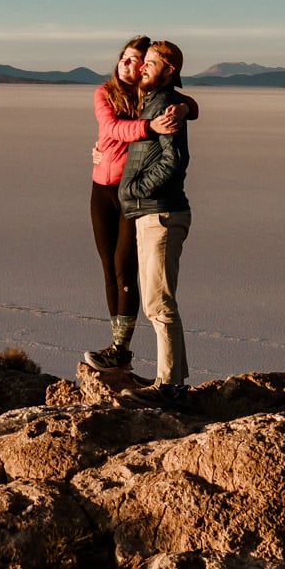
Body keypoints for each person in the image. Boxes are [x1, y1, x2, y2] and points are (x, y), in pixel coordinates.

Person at [84, 38, 191, 370]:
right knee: (108, 269)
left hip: (131, 195)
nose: (130, 66)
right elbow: (111, 126)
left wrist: (183, 108)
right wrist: (149, 126)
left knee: (124, 267)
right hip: (102, 190)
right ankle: (117, 345)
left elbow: (187, 104)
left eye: (138, 61)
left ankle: (121, 349)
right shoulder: (105, 92)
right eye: (125, 60)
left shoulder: (148, 96)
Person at [118, 39, 191, 398]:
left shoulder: (163, 103)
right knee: (155, 302)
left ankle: (170, 386)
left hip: (160, 213)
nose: (143, 67)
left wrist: (134, 189)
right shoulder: (154, 101)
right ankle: (170, 378)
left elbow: (174, 159)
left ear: (170, 70)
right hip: (152, 213)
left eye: (151, 62)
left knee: (160, 303)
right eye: (142, 61)